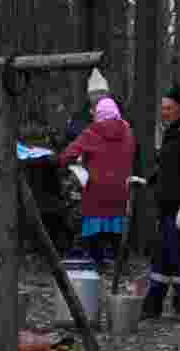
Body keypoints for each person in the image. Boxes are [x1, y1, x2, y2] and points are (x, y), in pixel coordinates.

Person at [129, 83, 180, 321]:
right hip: (164, 208)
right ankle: (152, 307)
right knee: (161, 256)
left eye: (169, 108)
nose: (164, 112)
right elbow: (165, 166)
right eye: (163, 108)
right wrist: (146, 180)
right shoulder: (169, 132)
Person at [56, 97, 136, 267]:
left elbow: (66, 156)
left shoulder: (92, 132)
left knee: (93, 229)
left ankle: (97, 264)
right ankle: (120, 263)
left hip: (97, 192)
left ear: (98, 115)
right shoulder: (128, 132)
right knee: (116, 229)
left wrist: (59, 160)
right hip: (121, 192)